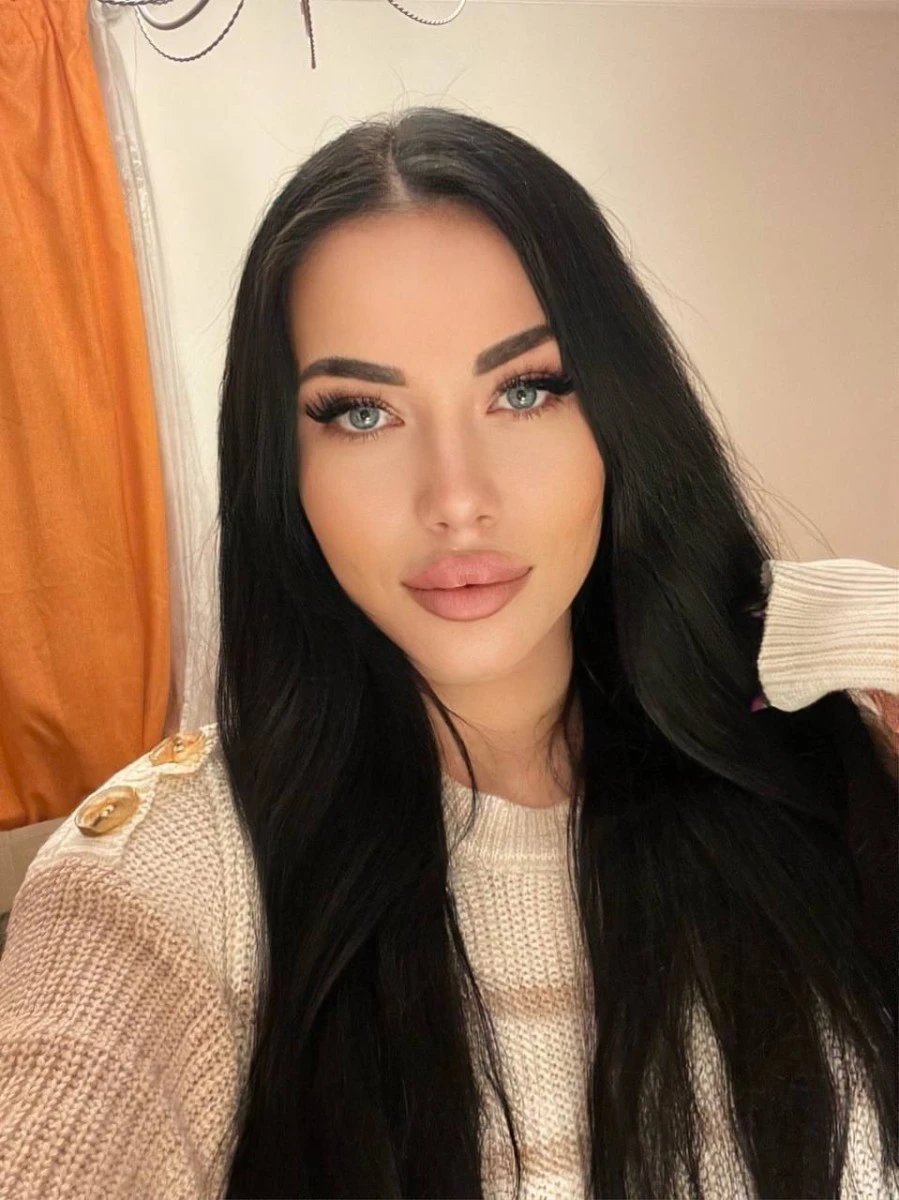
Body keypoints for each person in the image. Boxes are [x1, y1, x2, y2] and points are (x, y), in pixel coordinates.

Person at [1, 106, 897, 1200]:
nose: (455, 499)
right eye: (361, 414)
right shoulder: (173, 878)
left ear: (619, 419)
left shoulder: (822, 771)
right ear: (281, 467)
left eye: (523, 391)